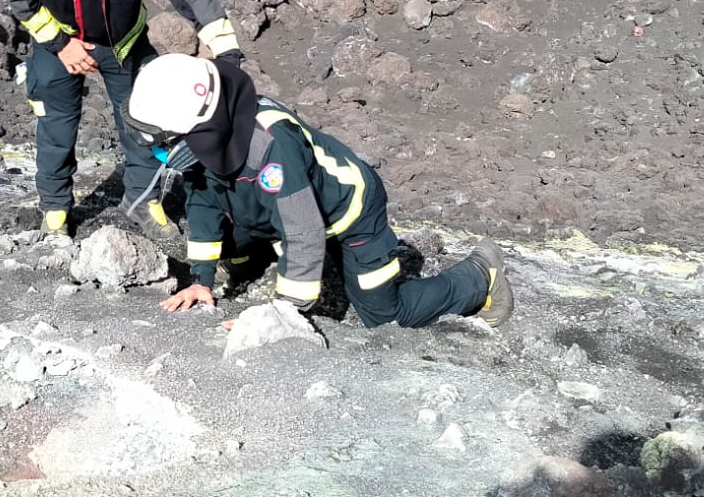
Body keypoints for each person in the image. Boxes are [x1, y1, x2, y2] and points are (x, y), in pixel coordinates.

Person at [125, 53, 514, 329]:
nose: (161, 154)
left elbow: (303, 230)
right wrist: (201, 279)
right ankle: (252, 257)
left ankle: (480, 275)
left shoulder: (271, 147)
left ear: (202, 130)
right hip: (284, 208)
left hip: (351, 212)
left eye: (165, 143)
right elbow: (202, 201)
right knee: (231, 227)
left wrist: (283, 312)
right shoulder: (211, 143)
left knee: (386, 316)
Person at [1, 0, 242, 237]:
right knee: (55, 127)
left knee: (144, 124)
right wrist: (61, 44)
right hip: (57, 49)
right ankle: (55, 210)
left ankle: (141, 200)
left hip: (124, 47)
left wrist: (224, 46)